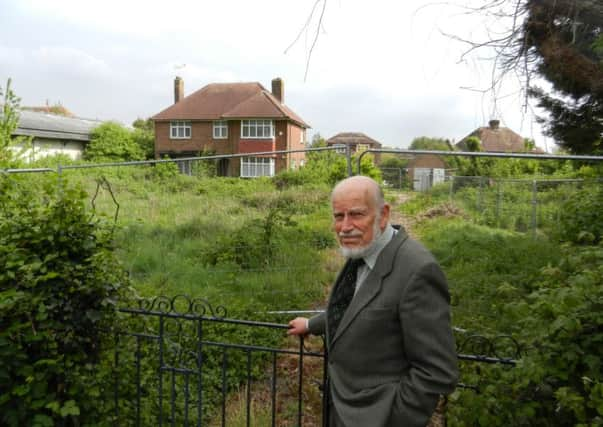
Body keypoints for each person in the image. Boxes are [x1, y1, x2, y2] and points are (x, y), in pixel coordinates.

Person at [288, 175, 458, 427]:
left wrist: (393, 418)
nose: (345, 227)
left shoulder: (417, 270)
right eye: (338, 216)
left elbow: (436, 371)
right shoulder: (364, 251)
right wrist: (312, 324)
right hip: (339, 408)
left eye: (356, 214)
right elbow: (357, 308)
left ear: (384, 214)